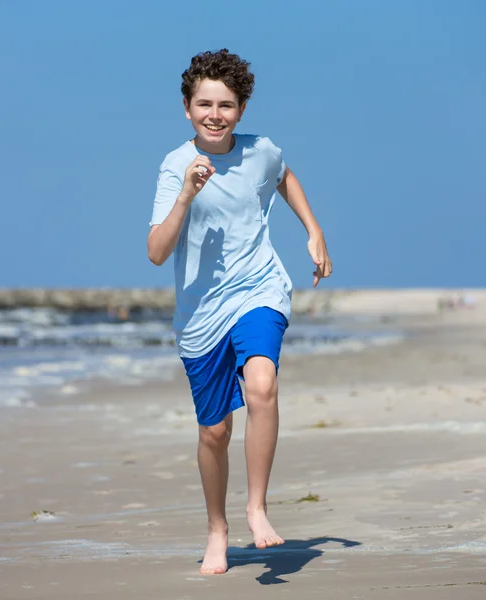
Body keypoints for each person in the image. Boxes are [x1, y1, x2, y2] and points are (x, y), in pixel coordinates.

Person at [147, 49, 332, 575]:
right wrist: (186, 195)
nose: (214, 114)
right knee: (214, 432)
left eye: (226, 105)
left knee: (263, 385)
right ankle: (217, 528)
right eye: (204, 103)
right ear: (186, 107)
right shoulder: (174, 166)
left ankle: (257, 508)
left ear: (241, 110)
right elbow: (157, 252)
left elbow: (285, 177)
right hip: (201, 312)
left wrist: (313, 231)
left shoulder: (261, 152)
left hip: (259, 290)